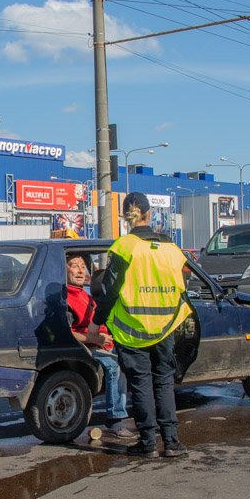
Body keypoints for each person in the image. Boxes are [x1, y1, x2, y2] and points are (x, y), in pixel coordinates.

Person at [95, 192, 193, 459]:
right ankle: (172, 442)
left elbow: (109, 289)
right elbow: (184, 287)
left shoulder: (125, 246)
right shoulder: (171, 249)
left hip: (131, 330)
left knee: (141, 384)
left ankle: (148, 442)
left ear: (125, 217)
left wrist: (97, 322)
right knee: (163, 383)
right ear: (150, 214)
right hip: (165, 327)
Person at [64, 252, 134, 440]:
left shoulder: (84, 294)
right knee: (115, 368)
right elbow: (68, 332)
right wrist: (95, 340)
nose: (80, 270)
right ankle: (115, 420)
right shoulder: (66, 299)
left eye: (82, 266)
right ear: (63, 270)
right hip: (88, 348)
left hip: (105, 342)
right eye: (73, 265)